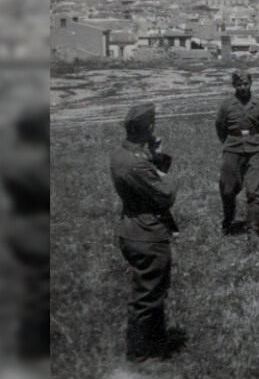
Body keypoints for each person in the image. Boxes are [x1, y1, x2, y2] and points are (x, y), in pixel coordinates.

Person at [109, 103, 179, 362]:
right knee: (148, 294)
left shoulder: (123, 154)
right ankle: (138, 353)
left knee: (154, 289)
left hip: (133, 228)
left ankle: (156, 342)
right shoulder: (136, 165)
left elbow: (148, 177)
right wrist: (163, 173)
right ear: (148, 128)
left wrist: (156, 155)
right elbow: (165, 194)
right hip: (147, 234)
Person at [0, 104, 50, 365]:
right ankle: (31, 352)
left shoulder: (19, 155)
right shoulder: (29, 161)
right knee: (39, 291)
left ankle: (34, 348)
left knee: (38, 287)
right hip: (34, 231)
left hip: (27, 226)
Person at [214, 70, 259, 236]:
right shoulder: (226, 106)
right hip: (232, 148)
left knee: (253, 190)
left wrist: (257, 142)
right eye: (239, 84)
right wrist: (230, 142)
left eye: (246, 84)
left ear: (251, 84)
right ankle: (228, 222)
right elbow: (220, 127)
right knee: (228, 188)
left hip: (254, 150)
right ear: (234, 85)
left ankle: (252, 228)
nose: (243, 88)